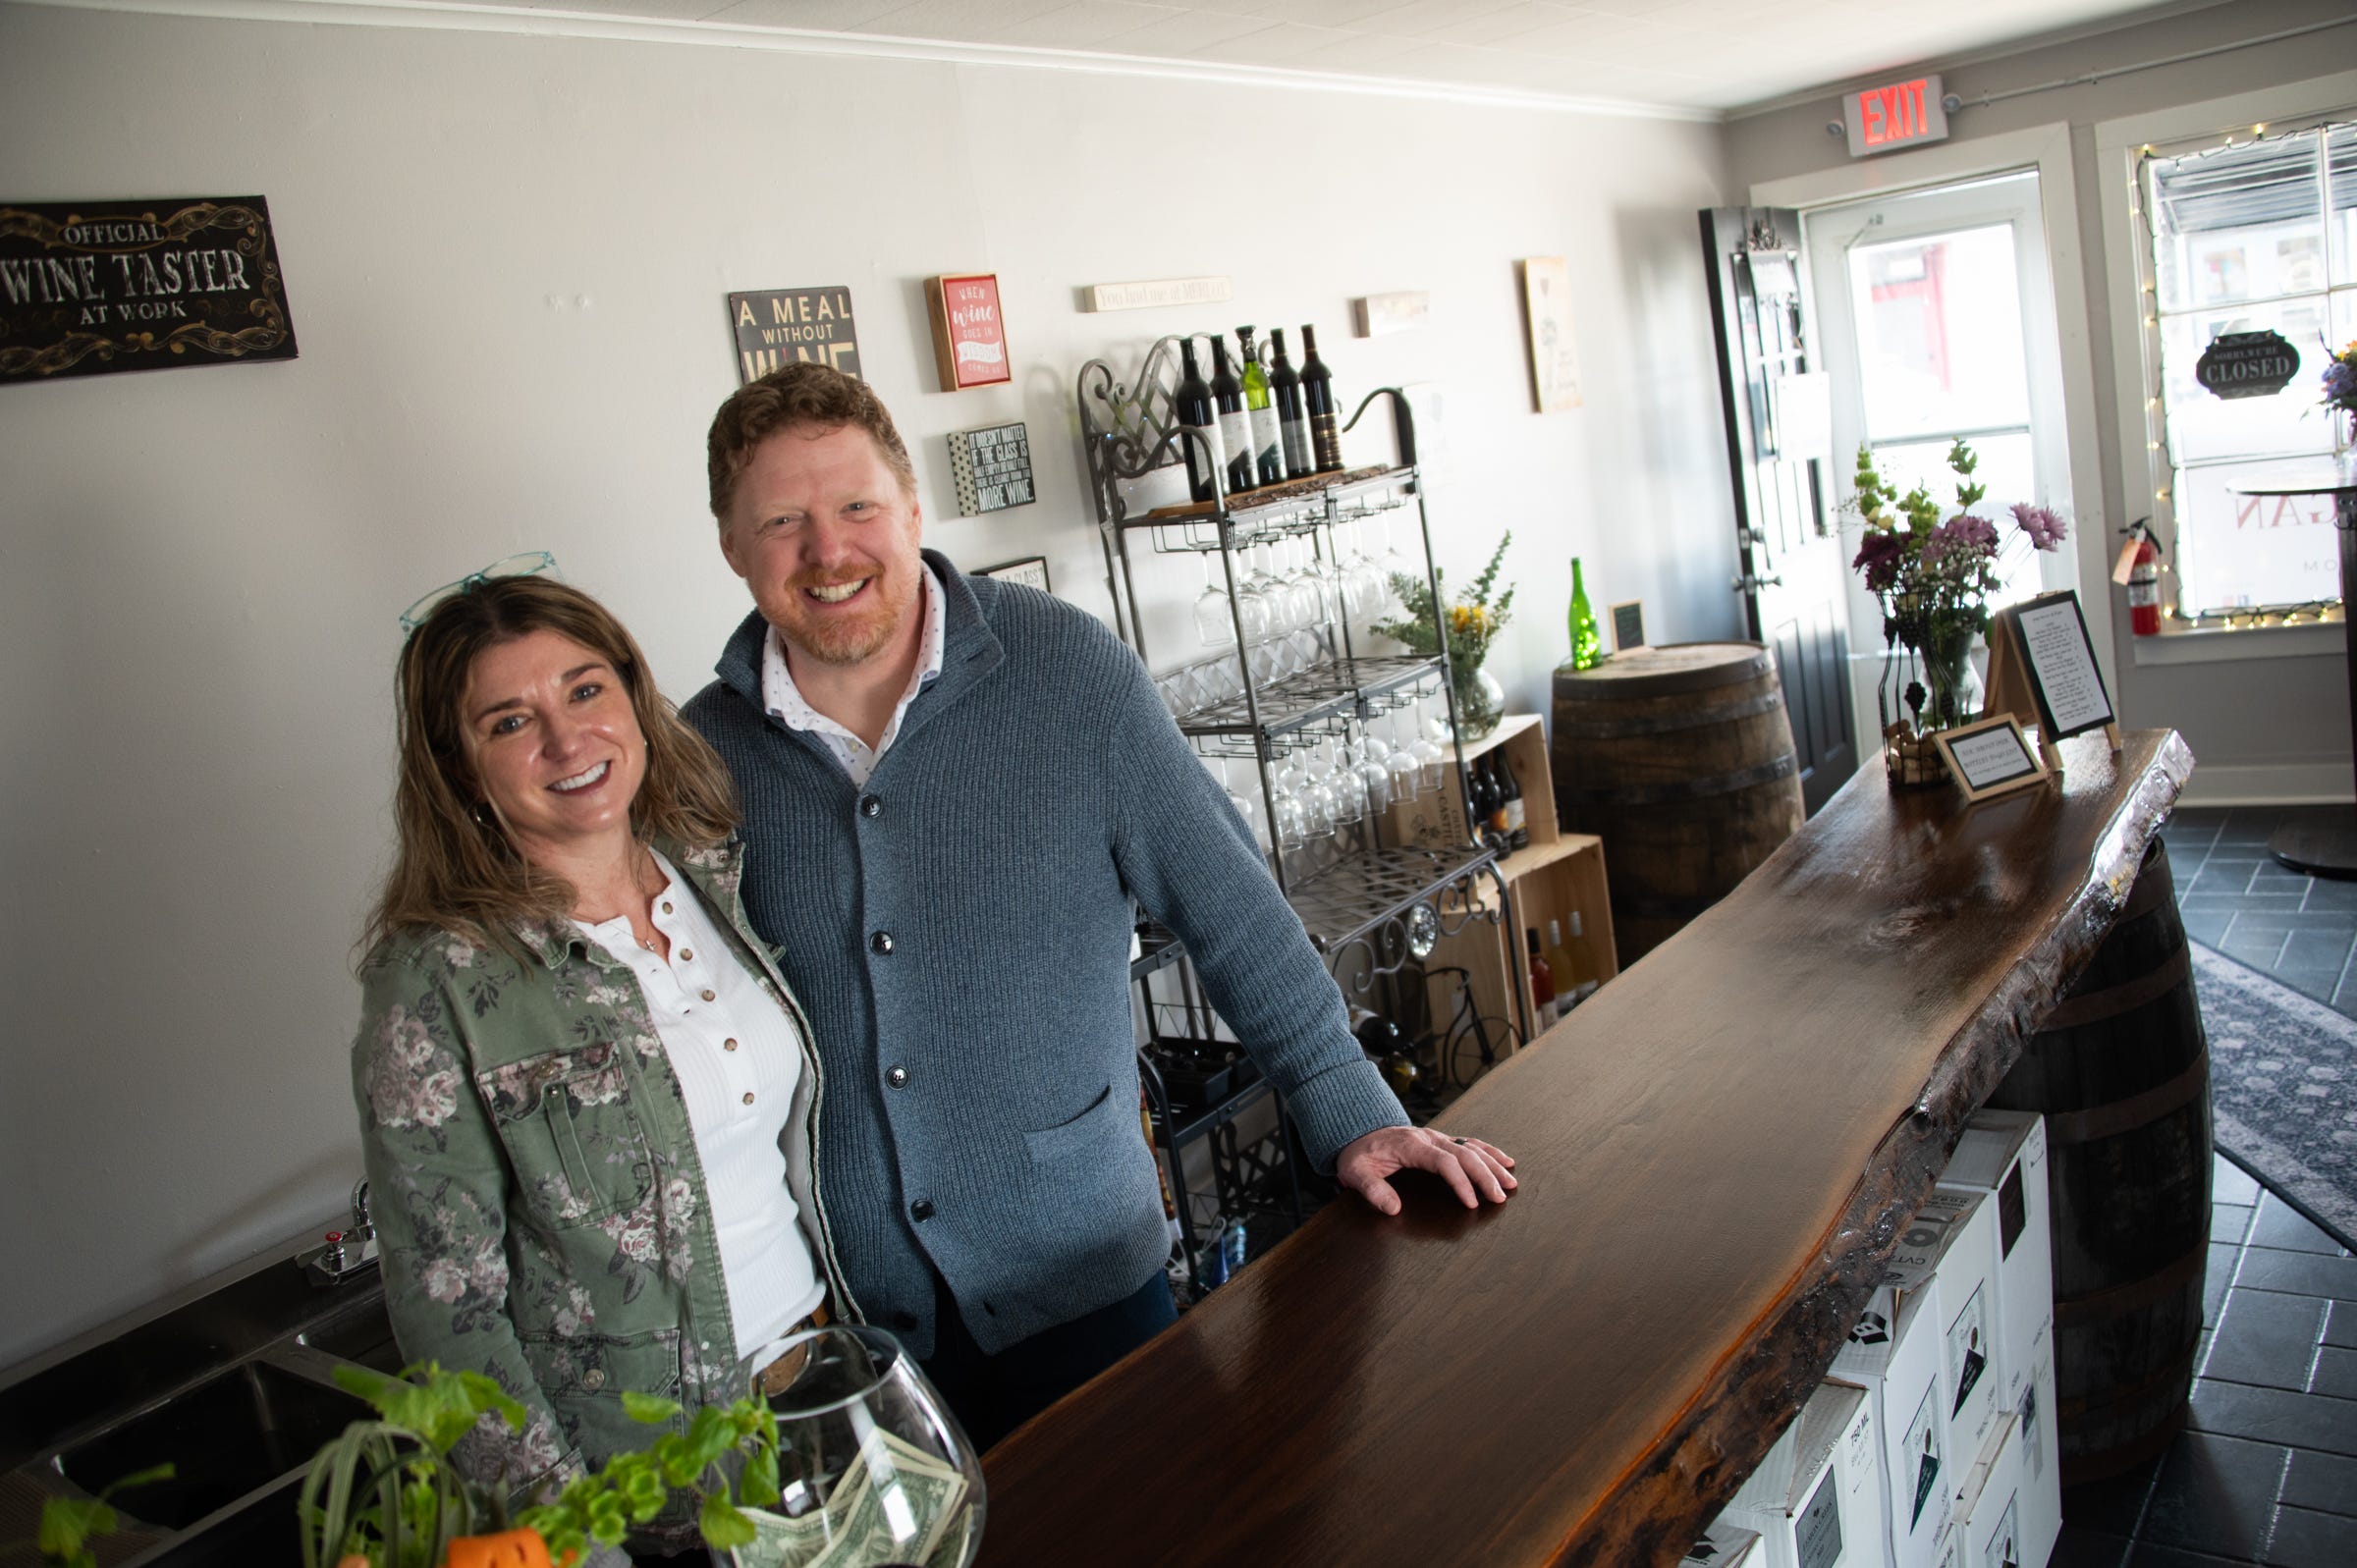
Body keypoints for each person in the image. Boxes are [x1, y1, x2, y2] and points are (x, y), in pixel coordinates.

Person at [682, 364, 1516, 1449]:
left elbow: (1235, 914)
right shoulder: (698, 764)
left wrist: (1352, 1109)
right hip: (849, 1346)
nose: (827, 550)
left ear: (911, 508)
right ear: (732, 547)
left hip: (1089, 1294)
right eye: (781, 521)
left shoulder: (1067, 674)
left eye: (855, 508)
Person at [351, 568, 847, 1527]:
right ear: (460, 768)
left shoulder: (707, 860)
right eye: (508, 721)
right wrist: (567, 1532)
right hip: (647, 1479)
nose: (566, 738)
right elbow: (446, 1312)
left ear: (631, 693)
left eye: (585, 689)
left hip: (818, 1375)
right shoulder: (436, 978)